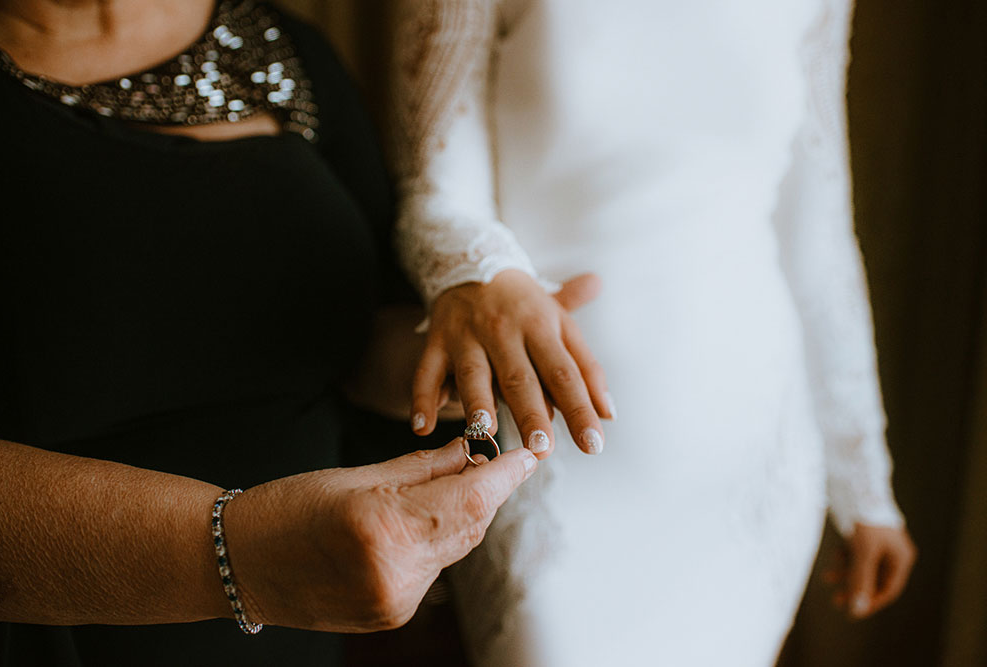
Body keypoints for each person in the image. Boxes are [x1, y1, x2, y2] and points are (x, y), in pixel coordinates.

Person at [0, 1, 551, 665]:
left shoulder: (281, 47)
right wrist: (247, 554)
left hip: (295, 637)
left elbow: (347, 334)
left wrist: (455, 361)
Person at [386, 0, 917, 665]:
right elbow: (433, 194)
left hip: (749, 458)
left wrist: (865, 484)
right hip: (549, 441)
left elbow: (817, 239)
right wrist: (486, 272)